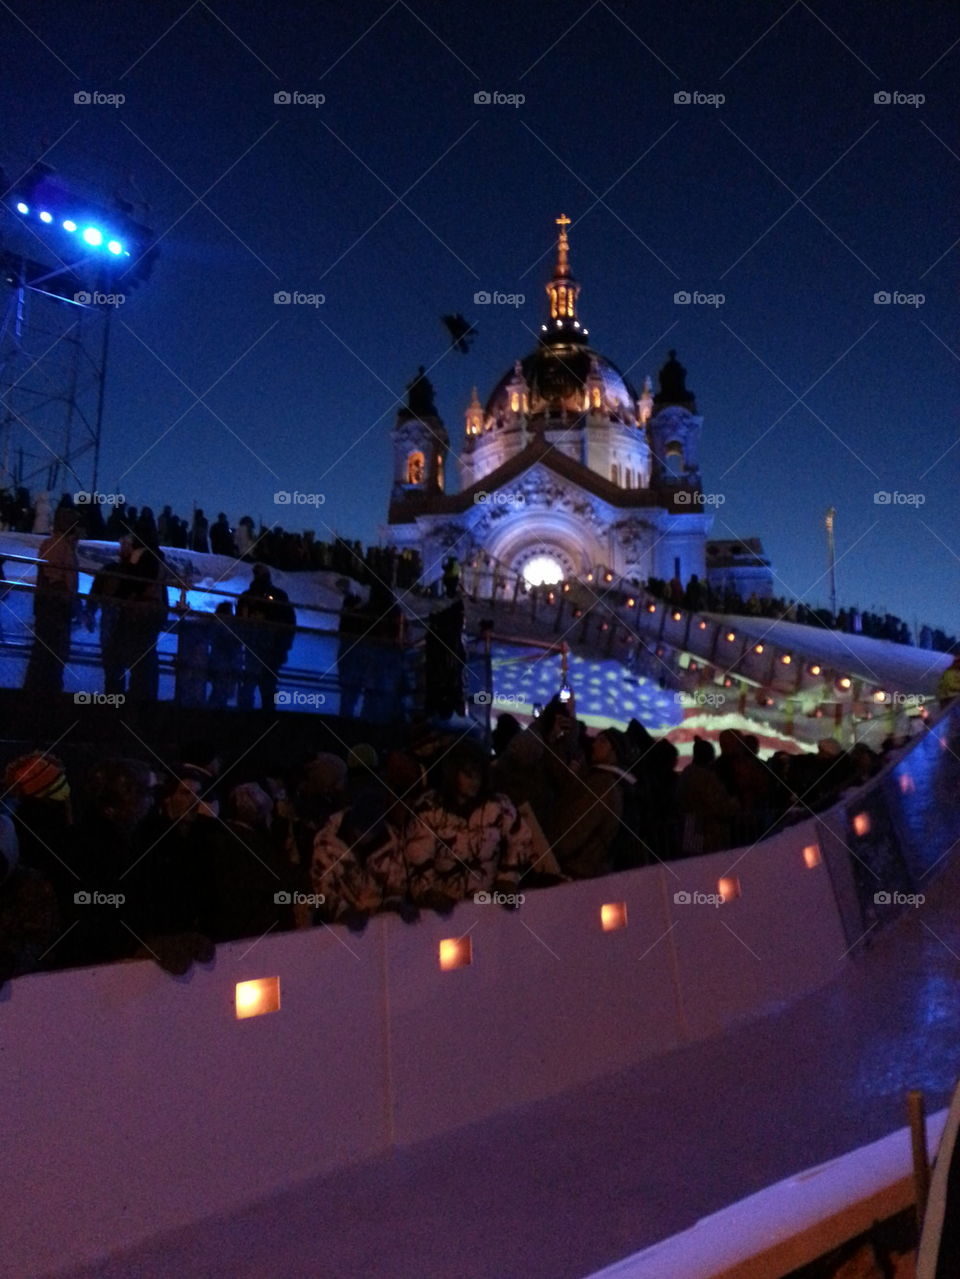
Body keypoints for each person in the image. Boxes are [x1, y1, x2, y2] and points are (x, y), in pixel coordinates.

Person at [402, 739, 531, 912]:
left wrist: (508, 879)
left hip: (487, 904)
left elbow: (521, 840)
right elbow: (418, 853)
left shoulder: (499, 806)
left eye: (478, 774)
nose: (475, 781)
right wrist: (427, 893)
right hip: (445, 909)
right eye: (468, 774)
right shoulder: (429, 809)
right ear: (453, 773)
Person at [23, 507, 81, 693]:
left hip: (51, 605)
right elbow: (57, 577)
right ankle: (45, 691)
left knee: (47, 650)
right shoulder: (59, 546)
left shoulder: (56, 544)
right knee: (52, 650)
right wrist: (67, 600)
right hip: (55, 606)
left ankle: (40, 689)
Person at [235, 565, 296, 710]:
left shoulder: (248, 596)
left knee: (255, 682)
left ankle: (247, 712)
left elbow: (239, 622)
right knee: (265, 684)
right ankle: (265, 712)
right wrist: (284, 647)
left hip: (261, 647)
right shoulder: (278, 596)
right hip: (267, 648)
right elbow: (289, 623)